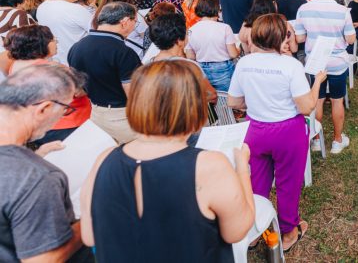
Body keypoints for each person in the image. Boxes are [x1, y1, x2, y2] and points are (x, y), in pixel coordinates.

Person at [80, 60, 255, 263]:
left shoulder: (104, 160)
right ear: (195, 108)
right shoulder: (209, 166)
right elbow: (236, 231)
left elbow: (89, 235)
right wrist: (242, 169)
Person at [228, 15, 326, 251]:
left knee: (257, 182)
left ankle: (252, 230)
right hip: (287, 131)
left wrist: (257, 102)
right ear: (281, 37)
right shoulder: (290, 65)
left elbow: (233, 101)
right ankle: (289, 231)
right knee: (287, 183)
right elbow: (306, 107)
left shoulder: (244, 63)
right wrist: (317, 83)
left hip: (255, 130)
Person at [0, 64, 92, 262]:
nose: (61, 117)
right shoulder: (36, 177)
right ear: (44, 109)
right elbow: (44, 259)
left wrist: (36, 156)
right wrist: (88, 222)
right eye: (66, 109)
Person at [294, 0, 356, 154]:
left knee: (317, 100)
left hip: (315, 62)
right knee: (337, 101)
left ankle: (316, 140)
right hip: (337, 62)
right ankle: (337, 141)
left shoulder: (304, 9)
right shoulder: (343, 11)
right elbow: (351, 40)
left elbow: (300, 38)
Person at [68, 2, 142, 144]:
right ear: (125, 22)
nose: (134, 26)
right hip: (123, 117)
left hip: (95, 115)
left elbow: (78, 91)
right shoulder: (124, 53)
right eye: (135, 22)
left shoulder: (76, 47)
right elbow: (134, 94)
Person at [184, 0, 239, 92]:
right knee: (226, 101)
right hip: (223, 69)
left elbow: (190, 56)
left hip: (201, 71)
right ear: (216, 9)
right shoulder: (225, 28)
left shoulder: (191, 30)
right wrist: (239, 49)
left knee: (206, 100)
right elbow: (233, 54)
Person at [37, 0, 93, 65]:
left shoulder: (42, 7)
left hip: (55, 60)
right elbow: (95, 30)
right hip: (77, 60)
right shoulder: (75, 9)